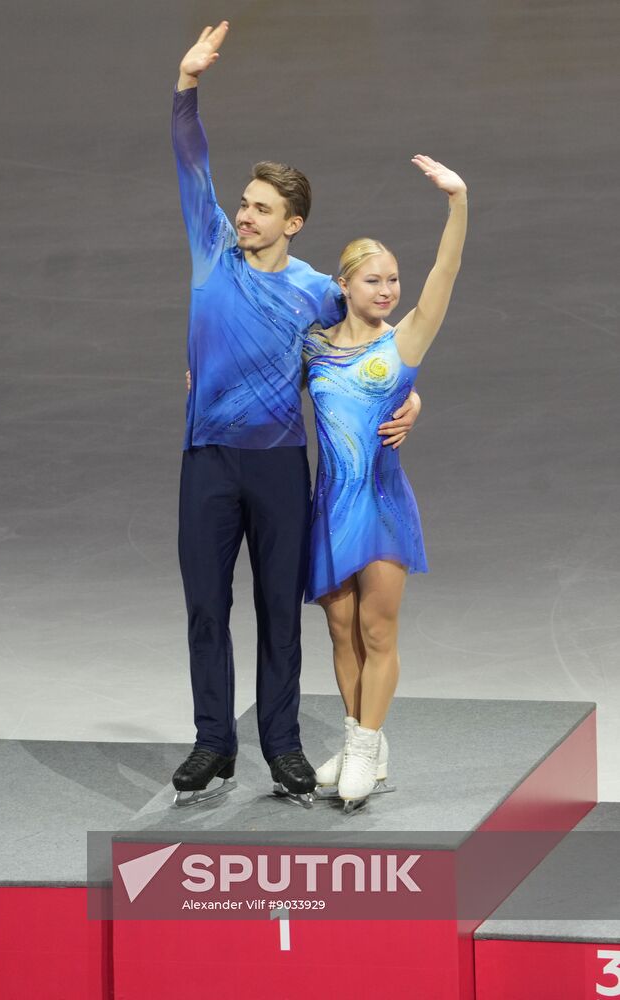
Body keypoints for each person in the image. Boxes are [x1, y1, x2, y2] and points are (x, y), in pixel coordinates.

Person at [170, 21, 422, 806]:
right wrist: (187, 84)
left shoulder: (317, 289)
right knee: (208, 607)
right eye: (243, 204)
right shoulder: (210, 245)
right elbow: (189, 158)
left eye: (260, 209)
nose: (242, 215)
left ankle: (282, 747)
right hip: (207, 458)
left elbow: (378, 341)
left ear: (293, 223)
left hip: (281, 465)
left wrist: (409, 395)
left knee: (281, 611)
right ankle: (214, 741)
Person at [305, 156, 468, 812]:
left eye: (392, 280)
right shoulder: (312, 346)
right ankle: (356, 739)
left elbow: (444, 276)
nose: (388, 290)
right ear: (343, 284)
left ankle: (368, 745)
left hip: (380, 503)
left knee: (377, 631)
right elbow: (260, 381)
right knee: (339, 631)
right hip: (328, 506)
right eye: (373, 280)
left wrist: (457, 202)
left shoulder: (402, 345)